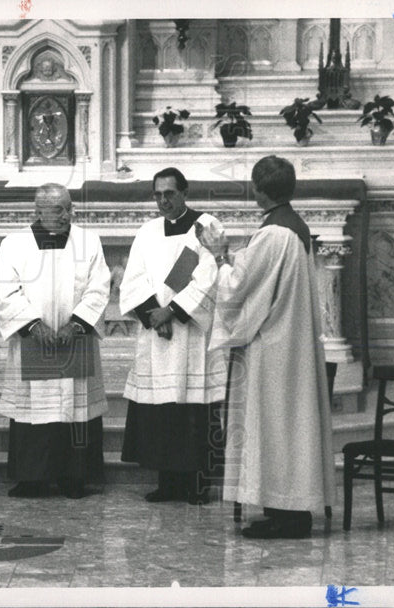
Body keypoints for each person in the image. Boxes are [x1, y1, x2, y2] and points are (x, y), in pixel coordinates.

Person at [198, 155, 335, 539]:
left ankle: (288, 516)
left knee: (275, 427)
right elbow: (260, 274)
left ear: (258, 189)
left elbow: (238, 287)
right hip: (291, 343)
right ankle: (289, 510)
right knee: (289, 427)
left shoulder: (274, 234)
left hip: (273, 348)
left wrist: (219, 255)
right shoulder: (292, 227)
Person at [0, 183, 111, 499]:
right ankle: (32, 478)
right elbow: (5, 291)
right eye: (59, 209)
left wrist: (77, 324)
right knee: (35, 411)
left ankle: (75, 477)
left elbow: (99, 288)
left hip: (76, 339)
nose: (67, 214)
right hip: (34, 341)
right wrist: (33, 326)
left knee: (75, 410)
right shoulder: (14, 244)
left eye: (68, 207)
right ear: (38, 211)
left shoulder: (88, 241)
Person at [119, 167, 227, 505]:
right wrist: (154, 314)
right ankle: (167, 482)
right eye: (158, 194)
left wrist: (173, 311)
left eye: (170, 193)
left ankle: (198, 484)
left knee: (194, 411)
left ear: (184, 192)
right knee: (162, 413)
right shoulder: (148, 231)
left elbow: (208, 277)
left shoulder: (205, 226)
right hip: (158, 336)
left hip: (191, 336)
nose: (163, 200)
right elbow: (133, 278)